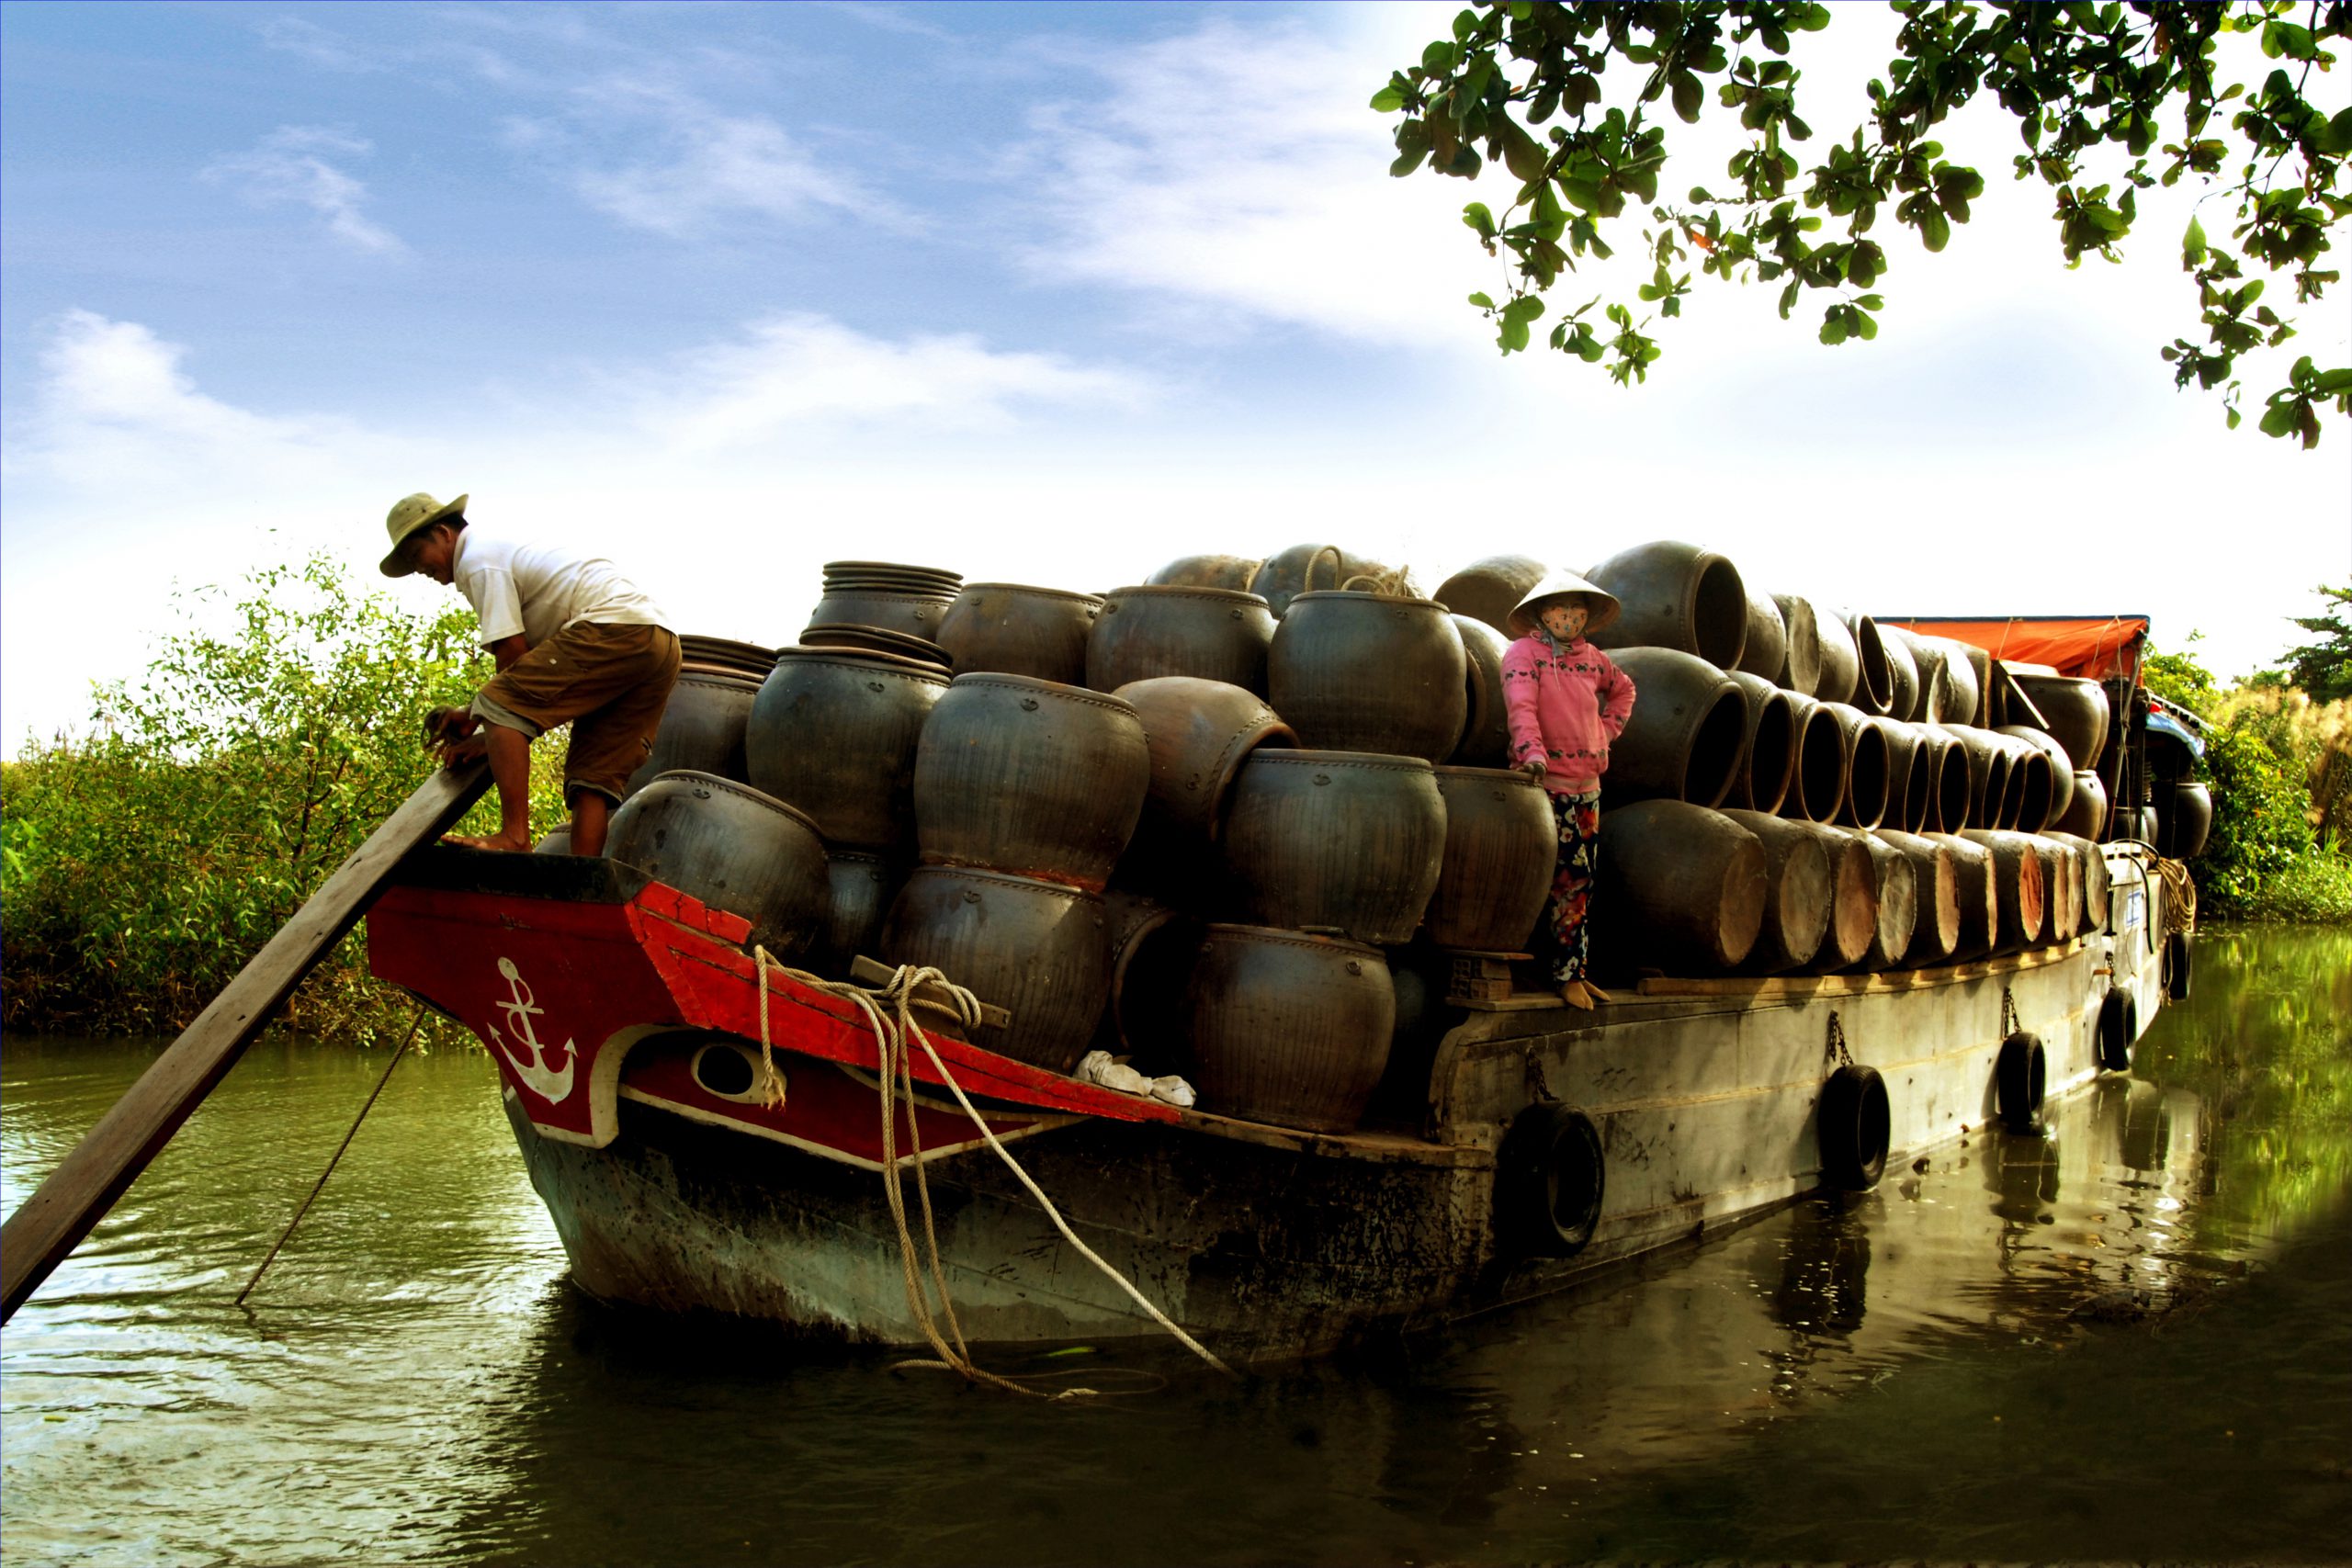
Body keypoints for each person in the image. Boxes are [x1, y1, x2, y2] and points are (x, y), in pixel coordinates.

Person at [379, 491, 680, 856]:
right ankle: (581, 890)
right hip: (658, 642)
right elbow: (535, 683)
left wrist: (487, 720)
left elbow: (512, 658)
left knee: (498, 701)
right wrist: (480, 723)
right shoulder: (498, 551)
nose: (419, 570)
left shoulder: (477, 560)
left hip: (612, 627)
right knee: (592, 778)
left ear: (443, 533)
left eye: (416, 556)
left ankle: (514, 836)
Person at [1500, 571, 1636, 1010]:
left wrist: (1605, 732)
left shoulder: (1594, 658)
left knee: (1580, 884)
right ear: (1542, 612)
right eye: (1561, 608)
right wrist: (1531, 752)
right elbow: (1520, 706)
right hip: (1544, 785)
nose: (1570, 616)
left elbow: (1625, 690)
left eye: (1579, 608)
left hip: (1588, 788)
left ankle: (1572, 972)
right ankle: (1546, 972)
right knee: (1552, 878)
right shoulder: (1524, 654)